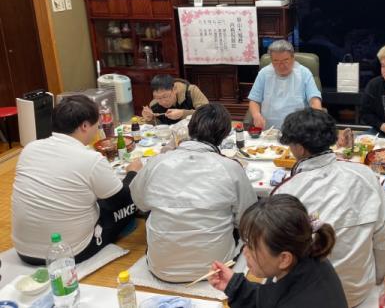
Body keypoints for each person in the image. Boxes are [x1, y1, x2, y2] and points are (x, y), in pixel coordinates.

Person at [273, 108, 385, 307]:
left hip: (312, 298)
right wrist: (377, 279)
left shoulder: (285, 193)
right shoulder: (366, 175)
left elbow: (279, 260)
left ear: (300, 148)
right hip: (359, 291)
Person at [130, 103, 257, 282]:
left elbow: (139, 202)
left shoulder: (157, 162)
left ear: (190, 128)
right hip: (216, 268)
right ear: (224, 135)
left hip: (162, 268)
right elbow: (246, 218)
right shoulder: (231, 168)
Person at [12, 95, 142, 264]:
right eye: (97, 124)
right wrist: (133, 173)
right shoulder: (90, 159)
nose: (97, 128)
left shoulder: (30, 148)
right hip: (71, 252)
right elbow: (121, 200)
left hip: (24, 251)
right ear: (85, 126)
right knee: (130, 201)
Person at [209, 194, 348, 308]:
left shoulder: (303, 299)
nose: (245, 252)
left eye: (252, 247)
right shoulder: (306, 254)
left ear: (284, 259)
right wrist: (235, 286)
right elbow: (271, 298)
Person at [248, 40, 322, 129]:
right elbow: (254, 100)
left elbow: (314, 100)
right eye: (276, 61)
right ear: (271, 60)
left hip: (298, 128)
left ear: (293, 58)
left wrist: (317, 119)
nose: (281, 65)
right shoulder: (264, 73)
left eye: (285, 60)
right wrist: (256, 115)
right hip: (269, 129)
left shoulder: (304, 73)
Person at [141, 74, 208, 125]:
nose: (163, 102)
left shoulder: (191, 91)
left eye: (165, 96)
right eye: (157, 98)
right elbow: (158, 128)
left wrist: (183, 113)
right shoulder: (154, 105)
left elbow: (207, 113)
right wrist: (150, 119)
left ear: (174, 89)